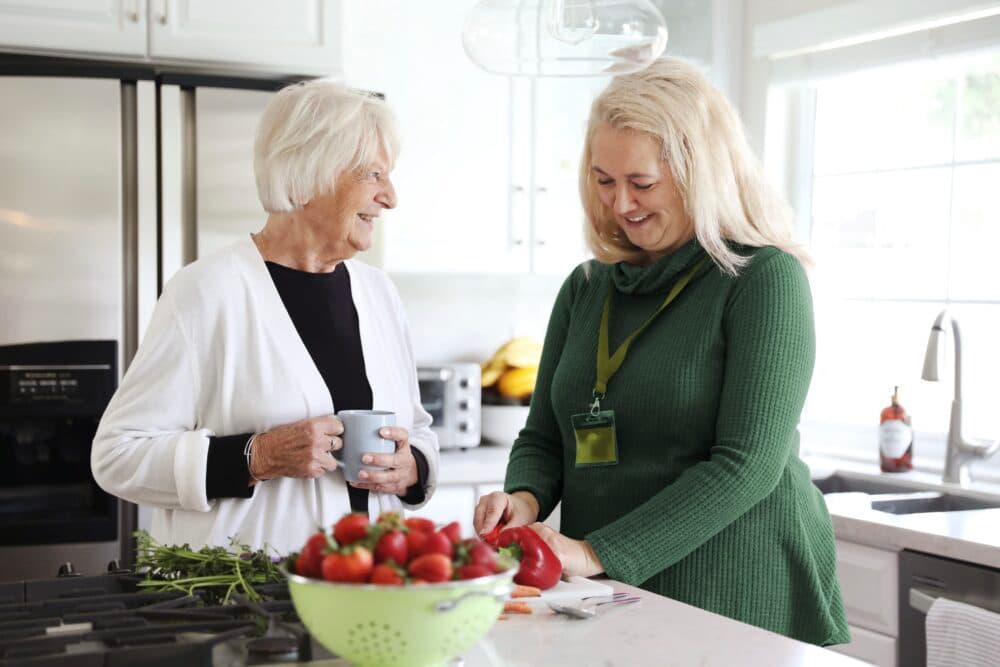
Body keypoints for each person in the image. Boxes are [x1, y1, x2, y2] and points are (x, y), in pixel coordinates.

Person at [473, 58, 849, 646]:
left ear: (701, 173)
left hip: (736, 591)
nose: (621, 204)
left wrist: (593, 550)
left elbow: (746, 465)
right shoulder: (588, 287)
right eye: (603, 181)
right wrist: (524, 497)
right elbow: (545, 437)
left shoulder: (763, 280)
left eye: (641, 183)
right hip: (612, 589)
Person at [92, 81, 439, 554]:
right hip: (243, 603)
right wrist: (256, 456)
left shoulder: (378, 293)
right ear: (307, 176)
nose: (391, 197)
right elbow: (116, 456)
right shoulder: (205, 292)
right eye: (373, 175)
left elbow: (417, 428)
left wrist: (413, 465)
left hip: (370, 587)